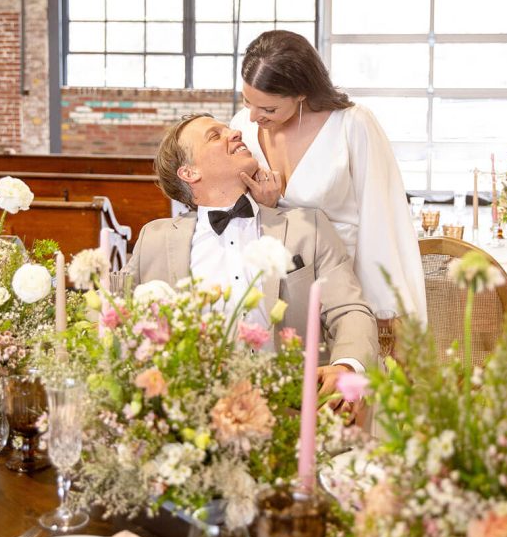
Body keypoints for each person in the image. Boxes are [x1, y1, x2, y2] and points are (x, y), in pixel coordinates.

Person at [126, 113, 378, 402]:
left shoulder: (308, 227)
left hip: (293, 407)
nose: (235, 134)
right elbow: (110, 313)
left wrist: (346, 365)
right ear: (190, 173)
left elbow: (349, 310)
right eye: (214, 135)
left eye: (229, 129)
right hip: (188, 411)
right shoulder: (155, 239)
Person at [230, 30, 427, 325]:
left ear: (301, 93)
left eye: (268, 108)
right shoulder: (242, 127)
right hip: (265, 287)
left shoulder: (352, 125)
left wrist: (384, 306)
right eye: (247, 102)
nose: (254, 117)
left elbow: (381, 217)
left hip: (339, 287)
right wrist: (264, 207)